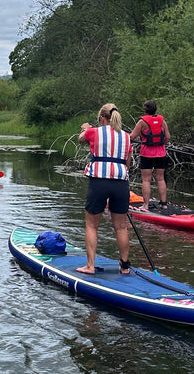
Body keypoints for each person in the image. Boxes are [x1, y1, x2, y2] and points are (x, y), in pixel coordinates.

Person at [76, 103, 133, 276]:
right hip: (120, 182)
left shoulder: (95, 132)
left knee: (92, 225)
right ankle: (124, 266)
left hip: (99, 182)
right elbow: (128, 162)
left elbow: (80, 139)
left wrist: (87, 129)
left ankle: (90, 266)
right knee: (121, 227)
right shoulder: (127, 137)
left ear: (102, 119)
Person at [129, 99, 171, 211]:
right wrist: (162, 145)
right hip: (161, 153)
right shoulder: (162, 121)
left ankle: (146, 205)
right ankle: (164, 204)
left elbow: (132, 137)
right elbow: (167, 137)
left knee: (146, 180)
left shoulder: (142, 122)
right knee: (160, 179)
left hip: (147, 154)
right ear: (155, 109)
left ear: (145, 110)